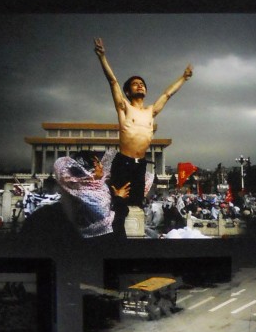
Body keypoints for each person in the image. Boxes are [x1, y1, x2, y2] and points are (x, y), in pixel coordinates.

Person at [94, 37, 193, 235]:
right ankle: (115, 243)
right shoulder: (124, 108)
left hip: (140, 165)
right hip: (124, 162)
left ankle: (132, 240)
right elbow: (112, 81)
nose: (140, 86)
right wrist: (102, 57)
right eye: (135, 84)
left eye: (142, 84)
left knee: (136, 207)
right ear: (128, 92)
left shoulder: (150, 111)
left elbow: (166, 95)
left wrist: (183, 77)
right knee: (119, 206)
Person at [52, 149, 130, 238]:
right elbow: (114, 225)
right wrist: (119, 199)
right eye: (97, 163)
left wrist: (116, 197)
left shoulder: (92, 188)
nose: (101, 166)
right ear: (88, 171)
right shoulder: (89, 196)